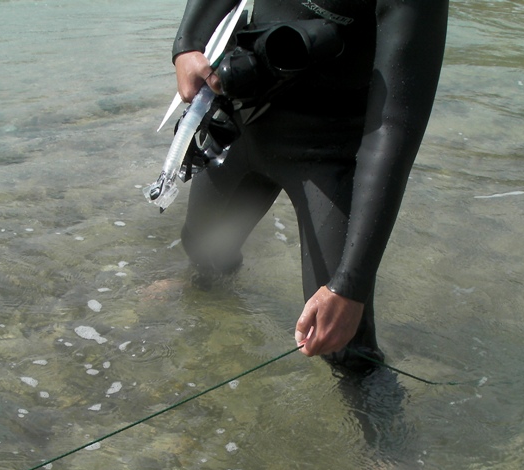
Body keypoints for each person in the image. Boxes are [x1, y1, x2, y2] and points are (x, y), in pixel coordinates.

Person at [169, 0, 448, 374]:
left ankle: (382, 427)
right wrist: (188, 43)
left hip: (329, 152)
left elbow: (393, 126)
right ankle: (201, 295)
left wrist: (350, 286)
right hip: (244, 121)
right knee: (202, 252)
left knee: (341, 342)